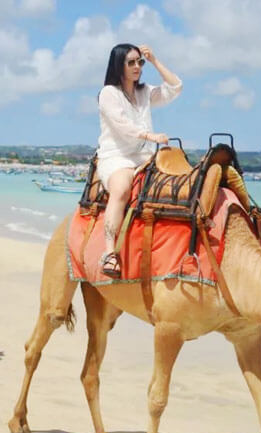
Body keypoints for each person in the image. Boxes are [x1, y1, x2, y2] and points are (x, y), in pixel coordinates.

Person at [96, 43, 182, 278]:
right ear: (119, 65)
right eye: (131, 62)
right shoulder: (108, 94)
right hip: (117, 156)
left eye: (140, 62)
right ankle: (109, 252)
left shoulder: (144, 92)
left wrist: (154, 60)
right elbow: (121, 125)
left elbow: (175, 87)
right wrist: (149, 136)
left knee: (179, 186)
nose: (137, 67)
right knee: (122, 189)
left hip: (145, 157)